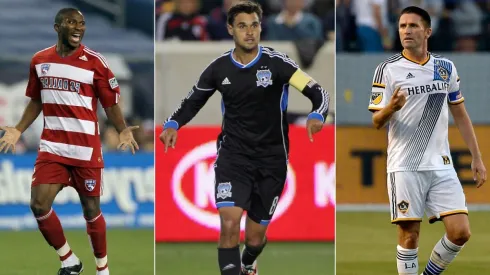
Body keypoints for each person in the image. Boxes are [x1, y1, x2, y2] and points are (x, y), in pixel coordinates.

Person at [159, 2, 329, 275]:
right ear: (230, 29)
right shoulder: (218, 68)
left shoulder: (277, 64)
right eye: (242, 26)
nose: (249, 32)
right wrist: (172, 124)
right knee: (228, 224)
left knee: (254, 238)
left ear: (261, 27)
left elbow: (318, 92)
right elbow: (193, 100)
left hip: (272, 160)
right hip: (233, 156)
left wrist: (317, 115)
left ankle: (248, 261)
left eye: (254, 25)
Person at [0, 8, 139, 275]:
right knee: (39, 204)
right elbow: (37, 100)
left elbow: (110, 104)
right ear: (57, 27)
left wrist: (122, 130)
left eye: (82, 23)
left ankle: (103, 269)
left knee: (91, 210)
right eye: (71, 22)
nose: (78, 27)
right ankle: (69, 260)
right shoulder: (40, 60)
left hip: (85, 149)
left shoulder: (95, 62)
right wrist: (18, 129)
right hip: (52, 148)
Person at [368, 6, 487, 275]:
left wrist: (477, 157)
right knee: (409, 236)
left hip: (441, 165)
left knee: (461, 232)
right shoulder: (387, 70)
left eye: (412, 26)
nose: (406, 31)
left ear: (428, 31)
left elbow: (460, 113)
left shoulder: (445, 68)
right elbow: (377, 121)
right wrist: (392, 108)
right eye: (402, 26)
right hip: (405, 165)